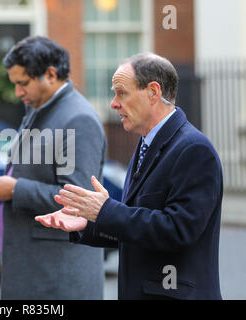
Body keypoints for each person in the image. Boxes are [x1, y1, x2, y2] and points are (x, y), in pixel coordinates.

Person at [36, 53, 223, 300]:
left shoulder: (194, 150)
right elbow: (137, 227)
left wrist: (104, 211)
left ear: (153, 93)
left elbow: (179, 231)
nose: (114, 103)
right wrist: (88, 223)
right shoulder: (147, 143)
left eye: (121, 93)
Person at [0, 36, 107, 299]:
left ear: (50, 74)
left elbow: (79, 201)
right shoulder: (40, 108)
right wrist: (1, 190)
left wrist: (14, 190)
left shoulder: (78, 118)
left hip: (56, 276)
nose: (17, 93)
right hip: (36, 268)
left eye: (23, 83)